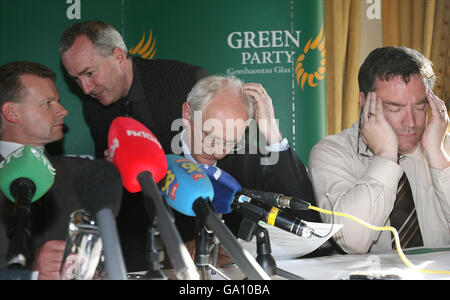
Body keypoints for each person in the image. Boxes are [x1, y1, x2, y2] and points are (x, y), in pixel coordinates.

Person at [59, 20, 209, 272]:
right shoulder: (94, 104)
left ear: (119, 56)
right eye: (76, 80)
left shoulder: (186, 81)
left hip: (195, 230)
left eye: (90, 73)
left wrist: (204, 239)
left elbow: (218, 166)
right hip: (134, 238)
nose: (85, 89)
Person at [308, 46, 450, 254]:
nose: (410, 122)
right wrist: (385, 156)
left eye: (420, 107)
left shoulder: (443, 146)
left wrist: (438, 157)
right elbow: (353, 242)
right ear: (365, 102)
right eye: (395, 108)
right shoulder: (332, 153)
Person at [177, 75, 320, 235]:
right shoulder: (154, 157)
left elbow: (309, 220)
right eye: (209, 137)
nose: (217, 152)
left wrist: (272, 133)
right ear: (187, 114)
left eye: (229, 142)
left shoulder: (250, 163)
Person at [0, 61, 87, 279]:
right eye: (48, 103)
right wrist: (28, 273)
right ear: (11, 112)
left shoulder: (83, 174)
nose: (63, 111)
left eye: (58, 101)